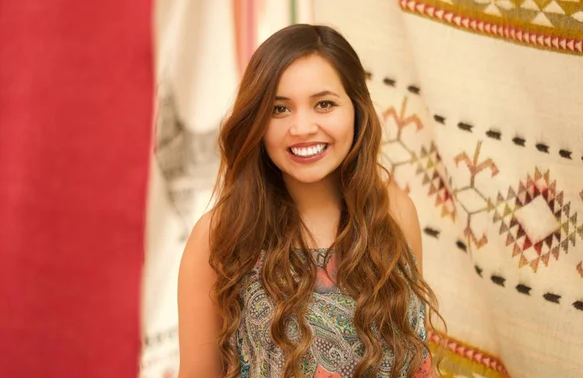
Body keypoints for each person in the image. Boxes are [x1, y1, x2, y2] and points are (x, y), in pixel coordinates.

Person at [177, 24, 441, 378]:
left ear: (356, 109)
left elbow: (418, 362)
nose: (302, 128)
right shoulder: (218, 235)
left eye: (324, 104)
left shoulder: (394, 211)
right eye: (279, 109)